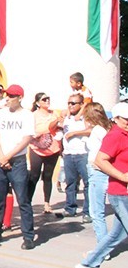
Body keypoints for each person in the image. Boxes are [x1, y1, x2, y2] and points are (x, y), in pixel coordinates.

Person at [76, 103, 128, 268]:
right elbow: (100, 160)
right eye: (126, 119)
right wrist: (122, 176)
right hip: (120, 192)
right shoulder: (115, 135)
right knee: (98, 214)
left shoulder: (125, 134)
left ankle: (89, 263)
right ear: (117, 118)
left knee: (118, 233)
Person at [0, 84, 35, 249]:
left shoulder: (27, 115)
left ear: (20, 98)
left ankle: (28, 236)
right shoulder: (1, 114)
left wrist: (8, 156)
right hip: (1, 161)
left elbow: (26, 139)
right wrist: (1, 156)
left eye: (12, 96)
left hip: (17, 162)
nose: (8, 99)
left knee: (23, 200)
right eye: (7, 95)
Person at [26, 92, 63, 214]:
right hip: (37, 148)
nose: (47, 101)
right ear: (37, 103)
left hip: (53, 149)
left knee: (48, 176)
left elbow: (61, 126)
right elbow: (32, 131)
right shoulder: (33, 115)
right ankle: (27, 201)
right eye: (44, 99)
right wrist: (47, 129)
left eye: (48, 98)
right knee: (34, 176)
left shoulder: (55, 114)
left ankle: (47, 203)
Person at [58, 93, 91, 221]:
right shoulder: (67, 117)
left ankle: (87, 211)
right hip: (68, 154)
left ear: (81, 105)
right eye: (69, 103)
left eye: (73, 103)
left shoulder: (86, 117)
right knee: (70, 183)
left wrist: (75, 133)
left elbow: (91, 130)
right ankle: (70, 208)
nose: (70, 106)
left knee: (87, 183)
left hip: (82, 154)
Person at [82, 102, 112, 245]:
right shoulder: (105, 128)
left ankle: (102, 246)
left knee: (96, 212)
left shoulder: (98, 130)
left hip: (97, 171)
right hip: (99, 170)